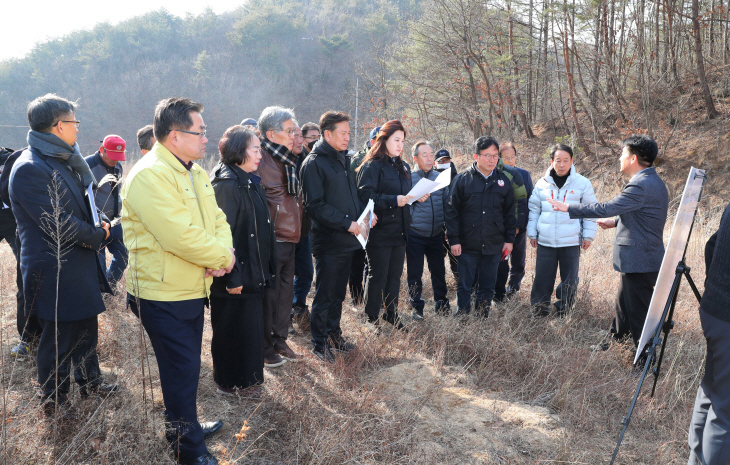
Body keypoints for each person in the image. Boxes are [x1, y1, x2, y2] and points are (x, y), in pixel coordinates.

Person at [122, 97, 234, 465]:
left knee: (183, 369)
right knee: (181, 370)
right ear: (174, 136)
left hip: (190, 286)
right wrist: (222, 259)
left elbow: (217, 220)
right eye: (200, 132)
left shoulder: (193, 171)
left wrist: (223, 256)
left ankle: (183, 427)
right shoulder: (150, 175)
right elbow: (179, 236)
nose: (206, 139)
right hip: (162, 293)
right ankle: (189, 450)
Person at [9, 94, 117, 415]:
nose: (77, 130)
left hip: (77, 261)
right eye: (74, 123)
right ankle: (54, 402)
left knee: (85, 327)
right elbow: (57, 223)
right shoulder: (30, 168)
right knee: (58, 338)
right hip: (54, 267)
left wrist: (101, 220)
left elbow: (82, 203)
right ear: (58, 126)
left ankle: (90, 381)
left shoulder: (63, 159)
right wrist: (100, 235)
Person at [548, 135, 668, 348]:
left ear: (633, 159)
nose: (619, 158)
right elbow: (643, 215)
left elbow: (605, 207)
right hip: (641, 258)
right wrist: (615, 222)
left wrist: (569, 207)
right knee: (623, 304)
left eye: (623, 154)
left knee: (638, 312)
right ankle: (615, 342)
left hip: (641, 259)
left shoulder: (640, 185)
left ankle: (642, 361)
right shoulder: (652, 181)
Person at [300, 111, 375, 362]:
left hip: (348, 239)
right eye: (342, 133)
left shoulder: (344, 159)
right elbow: (316, 206)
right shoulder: (314, 163)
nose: (347, 137)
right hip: (329, 241)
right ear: (327, 134)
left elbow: (351, 197)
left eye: (349, 133)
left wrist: (364, 217)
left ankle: (334, 336)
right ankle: (319, 344)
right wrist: (347, 223)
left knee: (338, 294)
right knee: (325, 294)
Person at [209, 125, 275, 398]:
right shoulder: (226, 185)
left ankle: (249, 381)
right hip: (235, 274)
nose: (260, 154)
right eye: (255, 148)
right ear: (238, 151)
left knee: (250, 329)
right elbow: (224, 237)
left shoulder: (250, 180)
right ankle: (229, 383)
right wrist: (231, 278)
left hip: (253, 271)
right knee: (231, 328)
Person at [357, 120, 425, 331]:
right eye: (396, 140)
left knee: (395, 275)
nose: (400, 145)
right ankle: (371, 317)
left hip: (401, 229)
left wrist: (415, 197)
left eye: (403, 141)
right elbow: (365, 195)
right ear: (383, 139)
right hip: (380, 230)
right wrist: (395, 200)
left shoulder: (403, 166)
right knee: (377, 275)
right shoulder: (372, 165)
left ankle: (391, 313)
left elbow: (405, 195)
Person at [445, 136, 515, 317]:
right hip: (467, 243)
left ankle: (482, 318)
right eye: (487, 156)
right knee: (465, 285)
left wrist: (509, 240)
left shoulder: (503, 181)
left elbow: (509, 214)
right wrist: (454, 240)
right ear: (476, 157)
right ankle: (462, 317)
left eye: (495, 156)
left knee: (487, 285)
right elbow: (452, 213)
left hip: (493, 243)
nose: (492, 160)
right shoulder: (462, 180)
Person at [255, 106, 303, 366]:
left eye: (293, 130)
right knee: (270, 295)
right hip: (272, 239)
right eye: (288, 131)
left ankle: (280, 338)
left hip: (291, 236)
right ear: (271, 134)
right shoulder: (259, 159)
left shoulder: (287, 159)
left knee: (286, 292)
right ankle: (264, 347)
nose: (293, 135)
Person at [527, 144, 597, 317]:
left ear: (572, 161)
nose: (562, 164)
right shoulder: (542, 184)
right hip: (545, 240)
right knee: (542, 276)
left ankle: (564, 310)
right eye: (558, 160)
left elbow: (590, 210)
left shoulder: (582, 183)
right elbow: (534, 210)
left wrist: (588, 235)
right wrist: (532, 233)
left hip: (571, 240)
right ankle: (540, 308)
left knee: (569, 279)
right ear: (552, 162)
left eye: (566, 160)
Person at [686, 201, 730, 464]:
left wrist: (713, 290)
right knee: (725, 408)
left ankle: (696, 459)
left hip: (715, 310)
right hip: (725, 315)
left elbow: (711, 245)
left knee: (711, 391)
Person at [1, 146, 42, 358]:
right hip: (17, 225)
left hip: (18, 225)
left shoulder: (15, 156)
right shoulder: (18, 156)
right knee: (25, 285)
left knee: (30, 284)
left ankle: (34, 339)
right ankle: (28, 339)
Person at [407, 141, 450, 319]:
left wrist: (448, 229)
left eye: (431, 154)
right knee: (415, 273)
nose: (429, 158)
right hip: (415, 234)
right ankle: (416, 308)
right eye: (424, 155)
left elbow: (447, 205)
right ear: (415, 158)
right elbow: (403, 208)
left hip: (436, 234)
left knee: (439, 271)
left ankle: (442, 304)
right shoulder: (408, 179)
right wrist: (415, 200)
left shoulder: (440, 178)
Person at [85, 135, 127, 287]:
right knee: (99, 264)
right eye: (112, 156)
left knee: (123, 255)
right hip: (97, 225)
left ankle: (110, 284)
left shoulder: (118, 166)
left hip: (115, 221)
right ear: (102, 150)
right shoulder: (86, 166)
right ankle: (101, 293)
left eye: (118, 157)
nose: (115, 161)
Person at [494, 142, 533, 299]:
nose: (510, 161)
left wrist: (519, 225)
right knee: (500, 259)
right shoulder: (495, 174)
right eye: (506, 158)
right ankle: (498, 290)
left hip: (519, 226)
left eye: (512, 157)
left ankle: (513, 288)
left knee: (518, 259)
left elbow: (527, 200)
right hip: (499, 227)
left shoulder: (523, 174)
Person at [348, 126, 380, 307]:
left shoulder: (390, 159)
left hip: (380, 219)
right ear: (372, 141)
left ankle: (372, 298)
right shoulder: (358, 160)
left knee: (373, 262)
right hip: (361, 216)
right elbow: (352, 191)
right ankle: (357, 299)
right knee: (357, 261)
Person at [291, 124, 314, 329]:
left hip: (303, 230)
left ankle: (298, 307)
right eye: (295, 135)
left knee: (306, 273)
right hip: (284, 233)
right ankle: (285, 316)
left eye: (301, 136)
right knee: (285, 276)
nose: (300, 140)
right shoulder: (273, 163)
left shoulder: (306, 161)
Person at [435, 149, 459, 281]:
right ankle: (440, 284)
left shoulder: (458, 178)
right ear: (435, 163)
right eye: (441, 161)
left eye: (446, 160)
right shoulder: (432, 178)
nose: (444, 163)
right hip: (438, 224)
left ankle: (458, 282)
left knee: (455, 257)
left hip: (454, 224)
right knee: (438, 258)